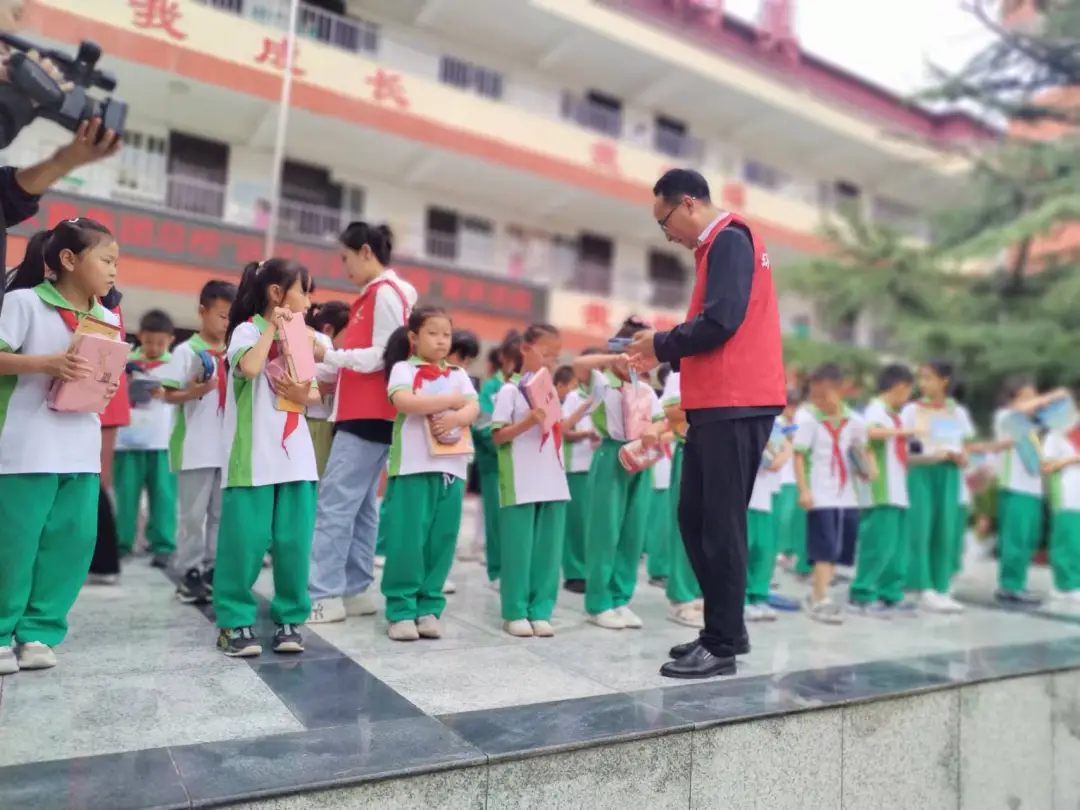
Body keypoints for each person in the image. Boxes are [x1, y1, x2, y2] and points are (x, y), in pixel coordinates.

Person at [628, 169, 785, 679]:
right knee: (694, 518)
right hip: (715, 401)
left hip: (736, 400)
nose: (666, 234)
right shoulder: (715, 247)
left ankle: (721, 644)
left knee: (719, 524)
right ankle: (727, 629)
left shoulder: (731, 240)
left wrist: (661, 345)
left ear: (689, 203)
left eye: (665, 220)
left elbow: (723, 320)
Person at [0, 218, 121, 674]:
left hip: (81, 446)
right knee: (14, 543)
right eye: (106, 260)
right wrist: (43, 363)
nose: (114, 271)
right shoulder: (24, 303)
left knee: (71, 542)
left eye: (116, 262)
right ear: (69, 260)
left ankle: (38, 631)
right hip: (26, 446)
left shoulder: (106, 318)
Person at [306, 223, 417, 624]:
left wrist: (329, 354)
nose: (344, 266)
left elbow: (384, 354)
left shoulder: (384, 294)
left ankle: (322, 594)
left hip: (366, 412)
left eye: (346, 257)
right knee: (362, 506)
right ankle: (355, 591)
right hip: (371, 411)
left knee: (335, 503)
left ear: (366, 251)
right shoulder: (382, 295)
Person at [214, 258, 322, 657]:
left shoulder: (299, 335)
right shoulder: (246, 330)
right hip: (253, 456)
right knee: (245, 543)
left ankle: (291, 618)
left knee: (294, 541)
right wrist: (274, 327)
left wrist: (303, 393)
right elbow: (251, 366)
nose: (309, 302)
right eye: (304, 290)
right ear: (277, 294)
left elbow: (310, 393)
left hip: (295, 456)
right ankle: (234, 623)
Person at [380, 306, 479, 641]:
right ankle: (400, 610)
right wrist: (448, 402)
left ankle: (429, 607)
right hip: (413, 466)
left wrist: (457, 417)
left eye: (446, 335)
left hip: (452, 468)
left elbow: (473, 407)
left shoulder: (458, 374)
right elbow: (404, 402)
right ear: (414, 337)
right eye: (433, 333)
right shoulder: (403, 369)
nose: (441, 341)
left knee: (442, 540)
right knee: (408, 538)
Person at [572, 318, 664, 631]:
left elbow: (663, 421)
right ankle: (597, 602)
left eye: (647, 356)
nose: (641, 361)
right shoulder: (602, 381)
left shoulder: (647, 390)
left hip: (641, 459)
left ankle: (620, 598)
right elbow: (577, 364)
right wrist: (613, 359)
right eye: (636, 353)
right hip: (611, 455)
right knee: (605, 531)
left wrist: (655, 429)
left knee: (632, 533)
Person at [160, 280, 237, 604]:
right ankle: (189, 570)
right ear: (202, 312)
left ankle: (212, 568)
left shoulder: (236, 352)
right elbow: (167, 394)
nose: (226, 324)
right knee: (193, 515)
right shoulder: (185, 351)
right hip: (194, 447)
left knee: (221, 514)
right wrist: (194, 392)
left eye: (231, 318)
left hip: (228, 449)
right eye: (221, 316)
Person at [491, 324, 568, 637]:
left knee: (548, 551)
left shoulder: (550, 391)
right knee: (518, 549)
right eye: (545, 353)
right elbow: (497, 436)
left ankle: (541, 609)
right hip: (520, 478)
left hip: (553, 477)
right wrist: (527, 422)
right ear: (525, 349)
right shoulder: (509, 391)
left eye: (556, 356)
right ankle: (515, 611)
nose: (550, 360)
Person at [792, 364, 873, 624]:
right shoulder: (808, 417)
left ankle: (819, 592)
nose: (820, 400)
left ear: (841, 390)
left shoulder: (856, 421)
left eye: (825, 394)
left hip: (847, 493)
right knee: (824, 545)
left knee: (841, 546)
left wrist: (869, 469)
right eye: (815, 395)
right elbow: (799, 455)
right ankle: (819, 598)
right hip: (820, 492)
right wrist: (804, 490)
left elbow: (861, 452)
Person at [900, 360, 975, 613]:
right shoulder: (911, 410)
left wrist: (962, 457)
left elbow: (964, 447)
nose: (923, 384)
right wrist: (932, 456)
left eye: (929, 378)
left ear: (945, 381)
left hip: (950, 474)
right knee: (921, 528)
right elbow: (905, 448)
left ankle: (941, 586)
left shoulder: (957, 412)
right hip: (921, 471)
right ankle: (923, 587)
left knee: (945, 528)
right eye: (921, 378)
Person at [848, 364, 916, 616]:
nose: (909, 396)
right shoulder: (876, 409)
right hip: (880, 489)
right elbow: (871, 432)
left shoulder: (892, 414)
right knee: (878, 544)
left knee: (897, 548)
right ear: (899, 387)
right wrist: (905, 431)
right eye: (908, 390)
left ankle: (890, 593)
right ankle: (862, 591)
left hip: (897, 488)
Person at [994, 379, 1067, 604]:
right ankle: (1009, 586)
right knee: (1015, 538)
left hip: (1032, 491)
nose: (1033, 402)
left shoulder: (1034, 428)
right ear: (1012, 399)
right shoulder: (1006, 417)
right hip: (1014, 488)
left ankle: (1019, 583)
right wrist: (1050, 397)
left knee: (1029, 539)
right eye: (1027, 397)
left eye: (1034, 396)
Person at [114, 309, 176, 566]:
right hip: (127, 440)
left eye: (160, 343)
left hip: (163, 440)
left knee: (163, 495)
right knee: (126, 493)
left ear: (170, 340)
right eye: (149, 341)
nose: (153, 347)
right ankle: (122, 542)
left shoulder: (177, 363)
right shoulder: (125, 361)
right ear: (140, 337)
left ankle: (163, 544)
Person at [475, 333, 522, 586]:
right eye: (514, 359)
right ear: (503, 358)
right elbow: (482, 425)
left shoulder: (524, 386)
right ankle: (496, 571)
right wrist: (505, 443)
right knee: (495, 520)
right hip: (494, 465)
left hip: (521, 466)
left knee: (516, 522)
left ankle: (514, 570)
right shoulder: (491, 388)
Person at [660, 367, 704, 628]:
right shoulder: (682, 374)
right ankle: (681, 598)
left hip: (720, 454)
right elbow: (670, 409)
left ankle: (700, 591)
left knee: (710, 528)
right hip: (691, 449)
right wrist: (707, 409)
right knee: (686, 526)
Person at [558, 358, 596, 594]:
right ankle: (574, 573)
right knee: (576, 523)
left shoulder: (605, 397)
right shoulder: (574, 397)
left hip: (596, 465)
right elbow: (564, 430)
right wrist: (587, 434)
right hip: (577, 465)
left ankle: (589, 571)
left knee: (591, 523)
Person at [304, 299, 349, 478]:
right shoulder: (321, 342)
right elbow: (333, 370)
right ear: (329, 329)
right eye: (349, 332)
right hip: (315, 424)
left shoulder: (330, 352)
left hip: (324, 425)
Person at [1041, 405, 1080, 603]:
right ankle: (1065, 585)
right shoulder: (1058, 432)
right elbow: (1046, 465)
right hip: (1067, 491)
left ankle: (1075, 581)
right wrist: (1073, 459)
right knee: (1067, 538)